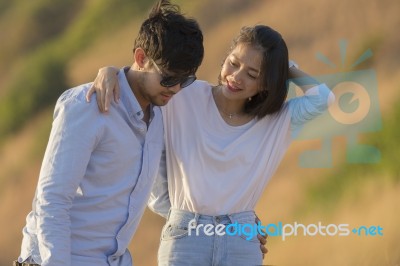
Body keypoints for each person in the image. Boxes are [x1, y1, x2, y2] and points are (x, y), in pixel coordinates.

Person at [89, 25, 334, 265]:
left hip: (241, 240)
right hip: (185, 238)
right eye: (234, 63)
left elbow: (323, 99)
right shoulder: (184, 94)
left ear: (267, 83)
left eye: (252, 74)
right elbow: (142, 84)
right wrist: (111, 71)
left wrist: (286, 68)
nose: (236, 77)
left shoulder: (277, 120)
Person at [14, 1, 204, 265]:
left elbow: (159, 198)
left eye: (186, 80)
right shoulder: (87, 106)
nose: (176, 89)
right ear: (141, 58)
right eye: (169, 78)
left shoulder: (161, 113)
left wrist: (229, 228)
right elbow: (52, 200)